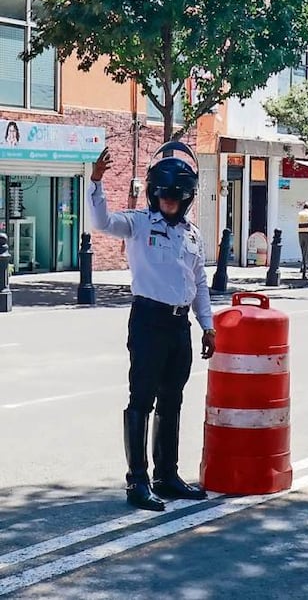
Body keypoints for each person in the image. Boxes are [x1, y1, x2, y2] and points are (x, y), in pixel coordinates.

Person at [89, 142, 215, 512]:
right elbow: (102, 223)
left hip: (179, 325)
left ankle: (167, 476)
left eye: (175, 197)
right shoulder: (139, 223)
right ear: (153, 194)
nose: (168, 202)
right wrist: (96, 183)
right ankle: (138, 482)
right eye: (162, 196)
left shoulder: (192, 235)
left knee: (172, 400)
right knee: (141, 400)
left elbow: (199, 283)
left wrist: (207, 325)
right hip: (148, 321)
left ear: (187, 198)